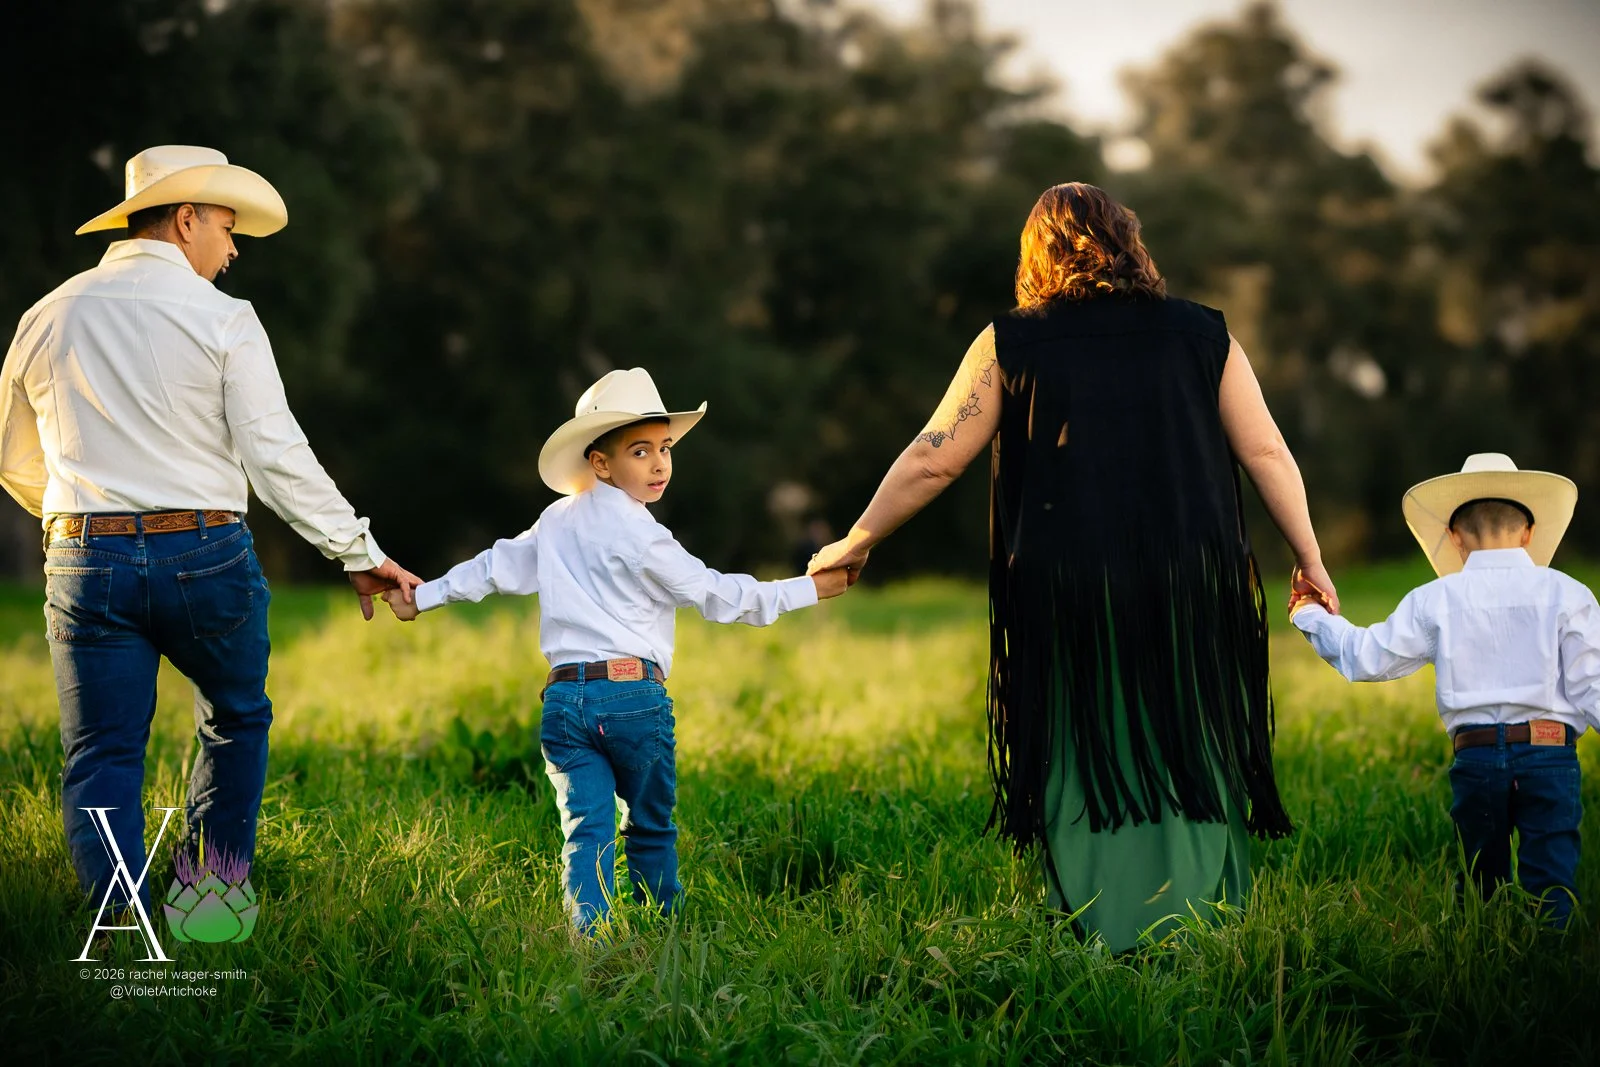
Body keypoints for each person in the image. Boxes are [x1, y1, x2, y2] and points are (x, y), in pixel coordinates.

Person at [809, 182, 1335, 950]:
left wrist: (857, 538)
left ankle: (1100, 917)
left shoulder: (1012, 341)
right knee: (1187, 729)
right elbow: (1265, 451)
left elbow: (934, 457)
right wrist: (1310, 558)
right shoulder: (1202, 333)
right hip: (1187, 577)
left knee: (1084, 734)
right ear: (1129, 241)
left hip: (1066, 583)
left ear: (1036, 255)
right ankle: (1203, 919)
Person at [0, 145, 422, 918]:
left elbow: (15, 458)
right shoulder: (225, 319)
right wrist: (359, 554)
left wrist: (82, 528)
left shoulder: (46, 313)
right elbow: (277, 456)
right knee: (234, 717)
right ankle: (210, 905)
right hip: (205, 555)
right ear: (186, 218)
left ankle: (121, 926)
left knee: (102, 754)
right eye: (228, 230)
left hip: (83, 556)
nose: (233, 252)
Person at [384, 368, 849, 933]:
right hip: (632, 698)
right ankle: (665, 935)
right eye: (640, 451)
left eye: (666, 449)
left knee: (586, 831)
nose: (659, 465)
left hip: (563, 702)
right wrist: (810, 589)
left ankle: (593, 945)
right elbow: (719, 595)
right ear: (600, 463)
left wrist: (422, 597)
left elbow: (493, 567)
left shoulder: (555, 521)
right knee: (650, 826)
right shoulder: (642, 532)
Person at [1291, 453, 1596, 927]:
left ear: (1454, 538)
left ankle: (1481, 958)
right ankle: (1550, 967)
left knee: (1480, 886)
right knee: (1552, 882)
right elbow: (1591, 685)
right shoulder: (1568, 593)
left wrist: (1309, 613)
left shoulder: (1435, 600)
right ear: (1530, 533)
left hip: (1475, 758)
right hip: (1550, 752)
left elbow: (1366, 657)